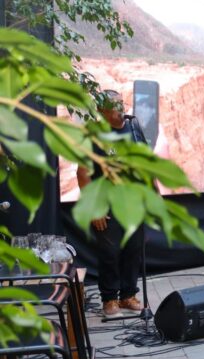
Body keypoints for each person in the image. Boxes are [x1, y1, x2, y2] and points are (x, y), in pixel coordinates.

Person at [77, 90, 146, 319]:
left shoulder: (134, 130)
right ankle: (109, 298)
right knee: (110, 252)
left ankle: (128, 295)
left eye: (121, 103)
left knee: (133, 250)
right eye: (114, 105)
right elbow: (83, 173)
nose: (121, 109)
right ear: (100, 110)